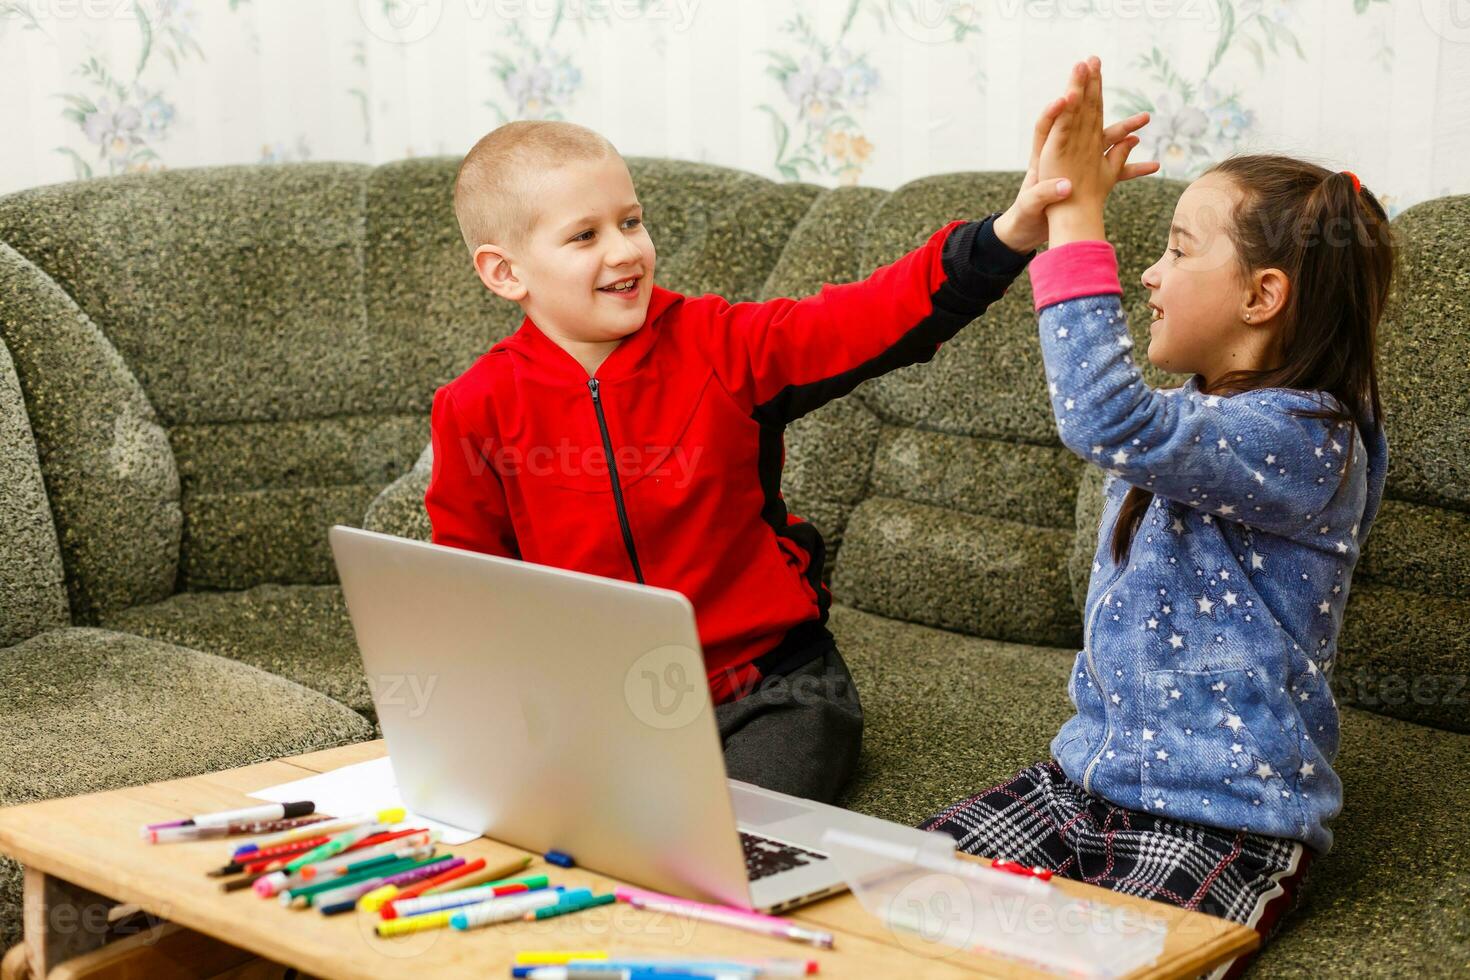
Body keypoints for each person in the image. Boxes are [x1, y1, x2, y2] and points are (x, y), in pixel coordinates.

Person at [424, 107, 1155, 804]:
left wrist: (1010, 232)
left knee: (724, 842)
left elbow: (870, 317)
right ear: (505, 272)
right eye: (584, 236)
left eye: (631, 221)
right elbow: (472, 586)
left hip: (771, 690)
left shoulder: (720, 344)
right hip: (599, 704)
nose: (625, 250)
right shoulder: (475, 406)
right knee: (538, 821)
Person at [921, 57, 1395, 979]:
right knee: (891, 905)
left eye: (1178, 248)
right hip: (1078, 786)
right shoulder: (1202, 412)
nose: (1149, 272)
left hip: (1226, 821)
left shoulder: (1308, 440)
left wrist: (1074, 214)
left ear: (1263, 297)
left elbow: (1103, 415)